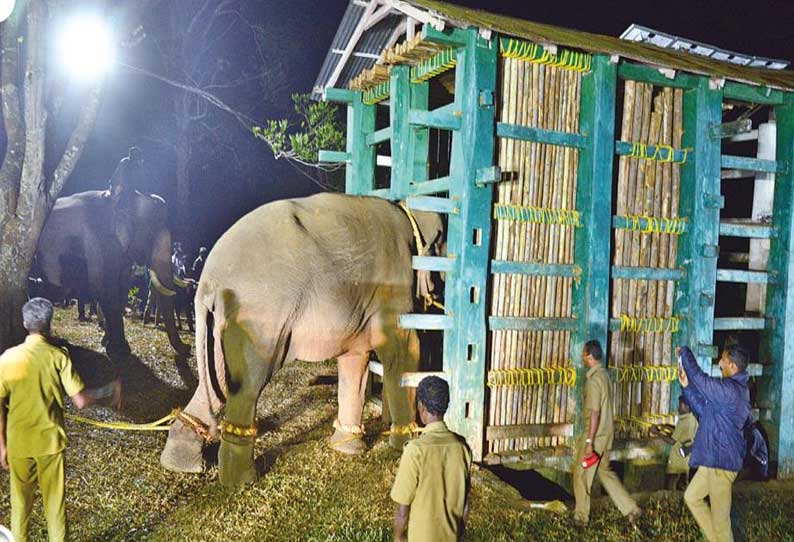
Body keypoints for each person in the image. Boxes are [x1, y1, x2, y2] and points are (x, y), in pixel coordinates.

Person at [0, 298, 122, 542]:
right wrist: (109, 390)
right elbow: (80, 400)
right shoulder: (58, 357)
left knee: (21, 506)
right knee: (54, 507)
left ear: (25, 323)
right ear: (49, 324)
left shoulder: (7, 359)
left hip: (19, 443)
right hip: (50, 444)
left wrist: (2, 444)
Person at [678, 344, 750, 542]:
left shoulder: (731, 391)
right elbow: (702, 410)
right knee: (691, 497)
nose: (720, 363)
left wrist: (685, 352)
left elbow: (701, 379)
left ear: (733, 366)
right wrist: (686, 387)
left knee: (722, 524)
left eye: (724, 360)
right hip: (713, 460)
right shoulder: (729, 392)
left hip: (722, 464)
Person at [390, 376, 471, 542]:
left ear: (421, 406)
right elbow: (465, 506)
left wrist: (398, 537)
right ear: (445, 406)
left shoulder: (415, 450)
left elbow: (402, 510)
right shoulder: (462, 448)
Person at [572, 339, 642, 526]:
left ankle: (580, 517)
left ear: (588, 356)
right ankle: (631, 509)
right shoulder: (605, 376)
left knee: (580, 476)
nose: (582, 357)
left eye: (583, 354)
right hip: (607, 434)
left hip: (596, 437)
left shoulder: (594, 381)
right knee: (604, 472)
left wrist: (589, 442)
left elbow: (594, 413)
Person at [650, 396, 698, 490]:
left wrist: (657, 433)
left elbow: (672, 441)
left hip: (677, 465)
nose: (678, 408)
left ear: (687, 406)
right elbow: (679, 433)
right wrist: (665, 426)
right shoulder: (692, 418)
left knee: (670, 492)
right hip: (685, 464)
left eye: (680, 405)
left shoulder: (685, 421)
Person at [108, 147, 143, 250]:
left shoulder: (137, 164)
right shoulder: (124, 162)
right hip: (119, 185)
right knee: (115, 203)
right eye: (135, 156)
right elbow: (119, 178)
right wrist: (119, 188)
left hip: (129, 188)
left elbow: (138, 178)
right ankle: (112, 225)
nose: (136, 158)